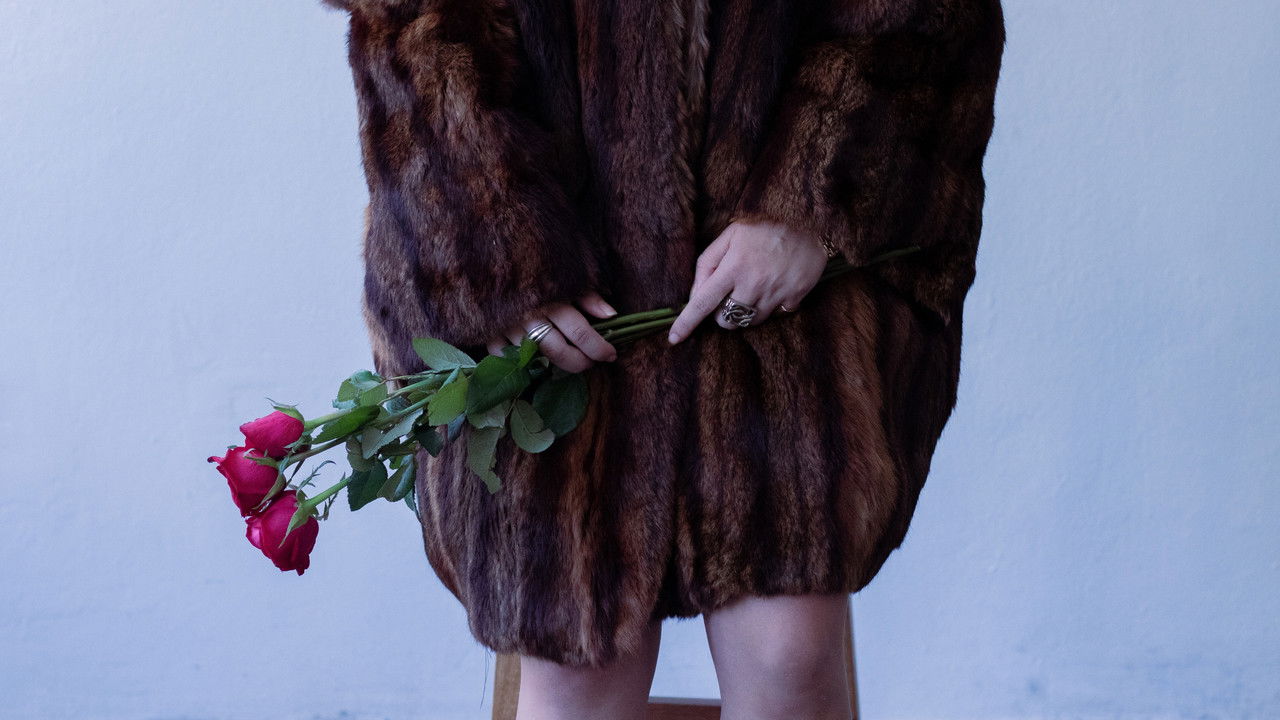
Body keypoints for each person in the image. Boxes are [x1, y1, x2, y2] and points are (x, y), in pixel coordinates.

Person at [321, 0, 1005, 717]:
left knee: (787, 653)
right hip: (551, 260)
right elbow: (414, 26)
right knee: (576, 658)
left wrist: (813, 194)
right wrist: (491, 249)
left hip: (780, 254)